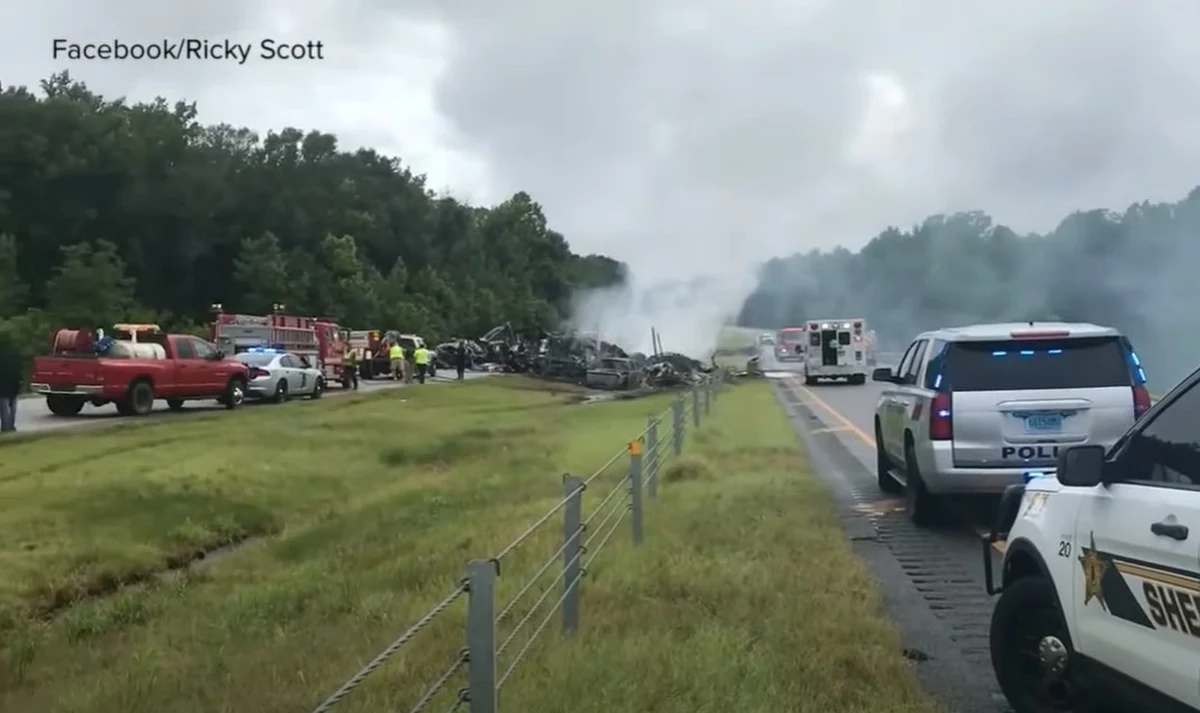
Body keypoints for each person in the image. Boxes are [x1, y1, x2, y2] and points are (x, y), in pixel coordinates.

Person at [0, 335, 22, 434]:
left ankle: (6, 428)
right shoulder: (15, 355)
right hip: (14, 385)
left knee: (4, 409)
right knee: (13, 408)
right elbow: (19, 370)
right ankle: (11, 426)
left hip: (3, 387)